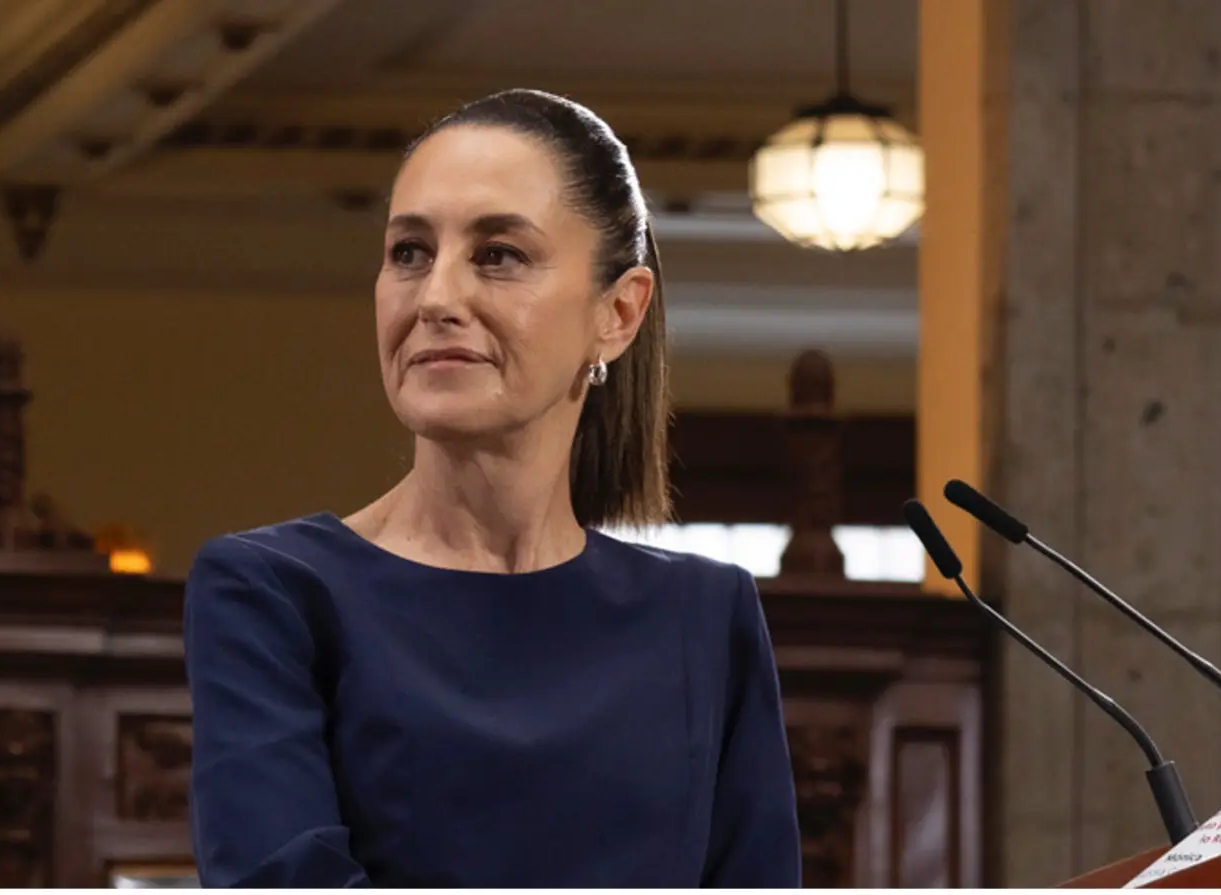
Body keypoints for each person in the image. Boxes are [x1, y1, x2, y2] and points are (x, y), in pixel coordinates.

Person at [182, 89, 802, 888]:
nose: (436, 297)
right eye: (409, 251)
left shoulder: (704, 616)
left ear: (617, 311)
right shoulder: (272, 591)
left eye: (497, 254)